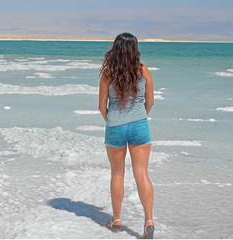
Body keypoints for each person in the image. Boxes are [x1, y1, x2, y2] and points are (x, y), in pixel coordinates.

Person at [99, 33, 155, 239]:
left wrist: (113, 122)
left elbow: (101, 106)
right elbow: (150, 102)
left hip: (115, 126)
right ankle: (148, 220)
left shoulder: (108, 73)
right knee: (142, 174)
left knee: (117, 174)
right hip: (139, 125)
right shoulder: (144, 71)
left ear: (116, 49)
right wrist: (138, 119)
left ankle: (116, 218)